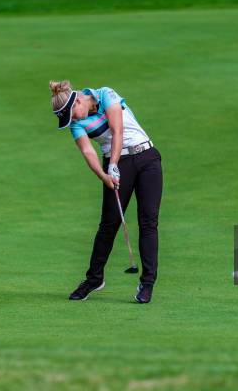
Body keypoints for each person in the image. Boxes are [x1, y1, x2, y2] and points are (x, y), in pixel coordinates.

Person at [49, 80, 163, 303]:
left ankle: (147, 283)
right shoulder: (76, 124)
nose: (74, 120)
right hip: (117, 164)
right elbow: (88, 152)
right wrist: (104, 175)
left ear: (78, 101)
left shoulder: (105, 94)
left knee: (148, 222)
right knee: (109, 224)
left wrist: (113, 163)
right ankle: (94, 279)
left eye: (73, 115)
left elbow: (117, 129)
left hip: (147, 158)